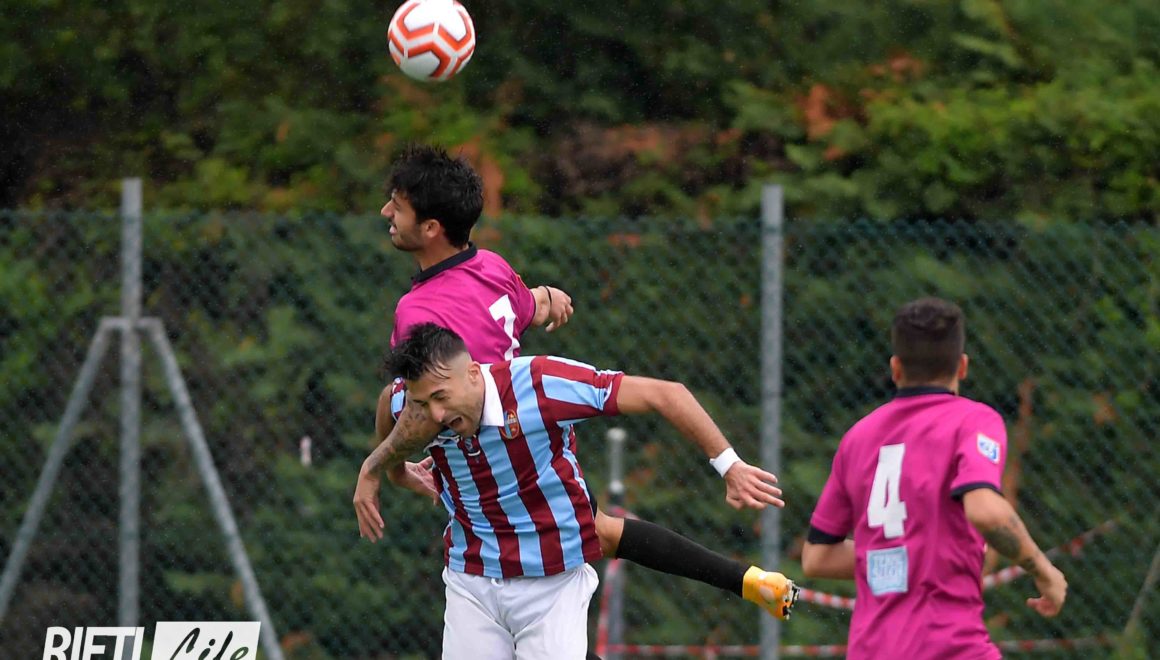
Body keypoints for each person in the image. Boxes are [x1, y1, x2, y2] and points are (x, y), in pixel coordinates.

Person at [350, 144, 799, 628]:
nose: (386, 212)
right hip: (538, 444)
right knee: (601, 535)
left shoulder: (417, 312)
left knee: (533, 591)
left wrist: (380, 467)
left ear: (431, 228)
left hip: (492, 468)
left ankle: (744, 580)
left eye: (397, 205)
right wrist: (549, 296)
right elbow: (526, 307)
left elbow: (416, 406)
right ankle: (746, 579)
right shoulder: (492, 267)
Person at [380, 322, 796, 657]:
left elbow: (666, 394)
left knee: (606, 532)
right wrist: (392, 471)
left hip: (551, 579)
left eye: (441, 397)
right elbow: (389, 404)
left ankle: (745, 579)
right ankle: (745, 579)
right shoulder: (413, 407)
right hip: (471, 579)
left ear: (474, 372)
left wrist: (729, 464)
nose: (435, 414)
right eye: (423, 403)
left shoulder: (538, 383)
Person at [801, 297, 1067, 659]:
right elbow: (986, 511)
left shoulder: (857, 438)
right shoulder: (974, 421)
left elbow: (817, 557)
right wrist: (1044, 570)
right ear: (963, 366)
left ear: (896, 368)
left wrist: (906, 555)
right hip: (949, 647)